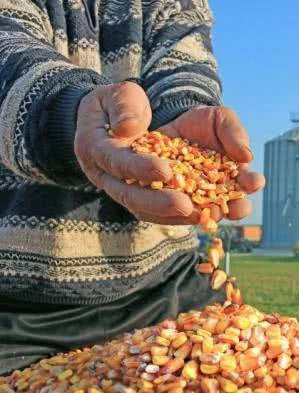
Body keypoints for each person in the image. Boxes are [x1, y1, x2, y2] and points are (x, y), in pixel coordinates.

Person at [0, 0, 264, 375]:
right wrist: (70, 114)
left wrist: (185, 115)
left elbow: (184, 66)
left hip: (165, 286)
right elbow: (7, 55)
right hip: (17, 310)